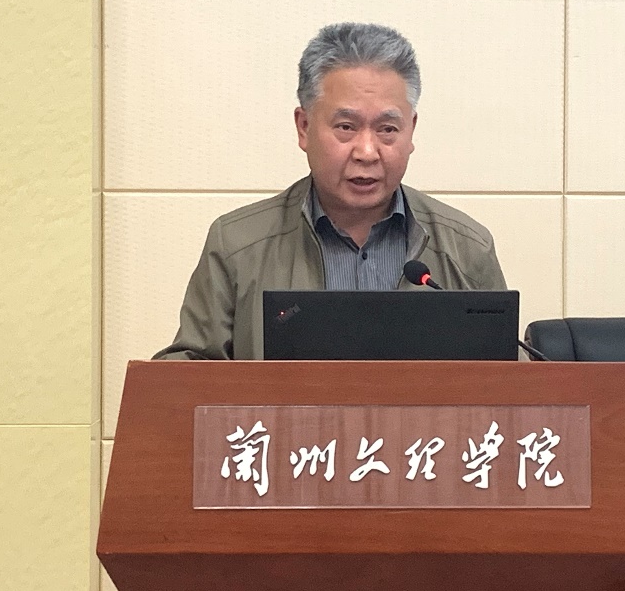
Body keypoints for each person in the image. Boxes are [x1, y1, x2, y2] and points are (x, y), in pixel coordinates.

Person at [156, 22, 507, 360]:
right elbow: (187, 375)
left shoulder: (466, 249)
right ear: (304, 127)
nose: (367, 152)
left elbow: (508, 383)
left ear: (410, 130)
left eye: (387, 129)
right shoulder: (237, 245)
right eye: (346, 127)